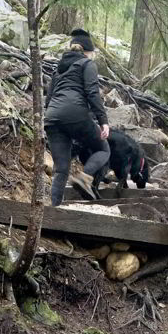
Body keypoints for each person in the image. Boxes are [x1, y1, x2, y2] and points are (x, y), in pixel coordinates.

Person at [44, 28, 110, 205]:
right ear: (88, 51)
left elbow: (48, 99)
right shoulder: (87, 64)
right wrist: (103, 121)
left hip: (52, 118)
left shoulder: (58, 70)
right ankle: (84, 177)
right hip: (75, 114)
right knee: (103, 148)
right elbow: (92, 93)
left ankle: (54, 211)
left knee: (61, 170)